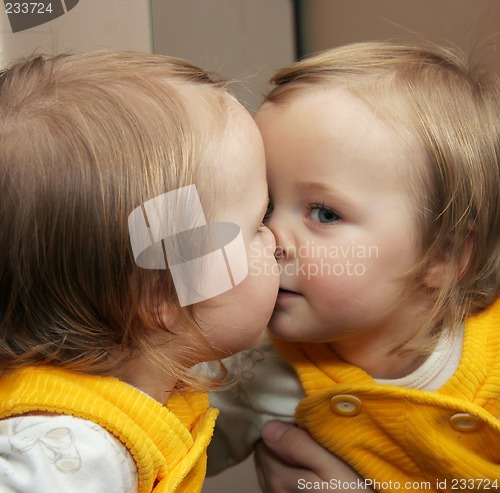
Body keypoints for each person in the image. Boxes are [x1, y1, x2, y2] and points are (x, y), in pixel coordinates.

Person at [208, 40, 500, 491]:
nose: (268, 239)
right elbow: (150, 450)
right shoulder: (254, 366)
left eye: (324, 213)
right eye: (263, 207)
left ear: (441, 257)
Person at [0, 50, 279, 492]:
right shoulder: (67, 455)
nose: (276, 239)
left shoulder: (127, 402)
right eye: (258, 223)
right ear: (163, 294)